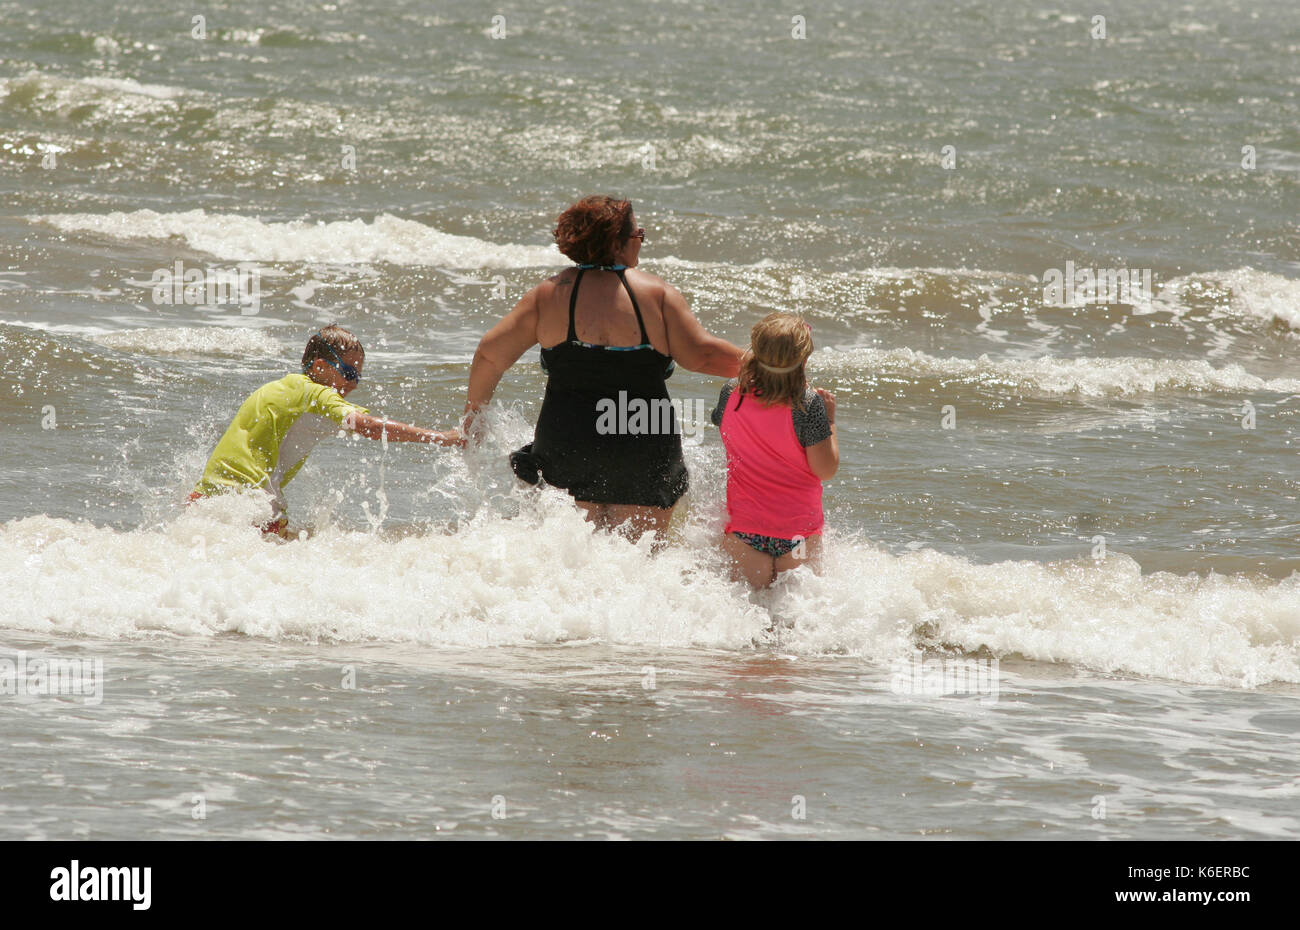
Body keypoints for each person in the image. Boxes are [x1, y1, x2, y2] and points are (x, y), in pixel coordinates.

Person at [463, 195, 743, 540]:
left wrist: (472, 418)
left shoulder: (549, 295)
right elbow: (702, 356)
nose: (640, 241)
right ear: (618, 242)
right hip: (643, 440)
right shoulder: (655, 295)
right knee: (641, 566)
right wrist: (777, 367)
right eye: (637, 234)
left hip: (568, 442)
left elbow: (490, 355)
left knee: (573, 562)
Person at [190, 325, 461, 537]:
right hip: (252, 509)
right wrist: (444, 439)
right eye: (349, 373)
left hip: (206, 499)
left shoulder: (283, 390)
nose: (353, 384)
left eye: (358, 376)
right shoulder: (314, 393)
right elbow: (366, 426)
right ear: (320, 366)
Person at [711, 313, 838, 588]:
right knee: (796, 623)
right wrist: (829, 420)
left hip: (744, 531)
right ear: (804, 360)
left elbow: (722, 426)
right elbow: (825, 470)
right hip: (799, 537)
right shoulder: (808, 404)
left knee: (745, 619)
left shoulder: (731, 393)